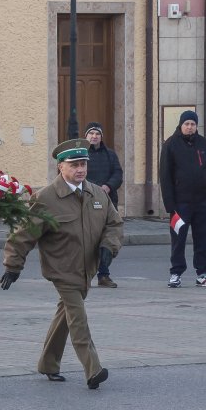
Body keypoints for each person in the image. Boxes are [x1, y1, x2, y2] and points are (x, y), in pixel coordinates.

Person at [1, 138, 123, 389]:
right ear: (60, 167)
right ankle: (93, 369)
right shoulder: (46, 198)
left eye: (84, 164)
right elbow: (23, 234)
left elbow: (114, 224)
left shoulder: (96, 193)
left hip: (86, 269)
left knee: (64, 315)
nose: (80, 169)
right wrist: (13, 265)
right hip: (62, 270)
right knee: (77, 318)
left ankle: (48, 363)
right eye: (74, 164)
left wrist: (108, 247)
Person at [159, 110, 206, 288]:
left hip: (203, 203)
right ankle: (176, 273)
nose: (190, 127)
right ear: (181, 125)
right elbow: (165, 175)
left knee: (203, 240)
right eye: (187, 124)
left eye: (193, 124)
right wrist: (170, 204)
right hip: (180, 203)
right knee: (178, 240)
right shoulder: (171, 144)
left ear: (196, 126)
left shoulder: (204, 144)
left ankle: (202, 273)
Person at [84, 121, 123, 288]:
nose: (94, 136)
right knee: (88, 239)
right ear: (85, 136)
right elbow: (77, 175)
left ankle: (104, 275)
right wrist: (93, 189)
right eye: (91, 134)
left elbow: (118, 173)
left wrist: (108, 186)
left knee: (107, 239)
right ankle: (84, 275)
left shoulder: (110, 155)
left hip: (108, 202)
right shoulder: (81, 155)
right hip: (87, 201)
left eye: (97, 134)